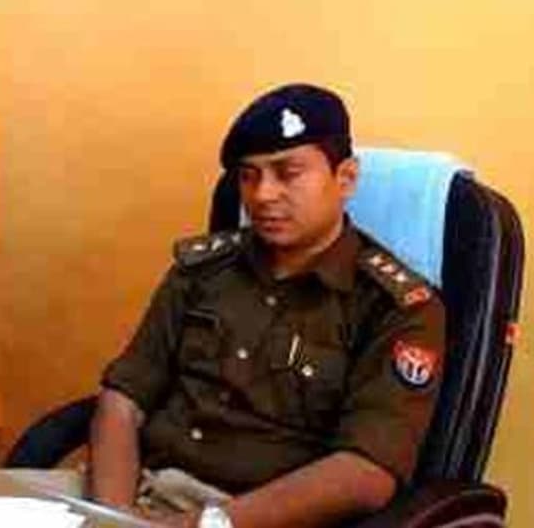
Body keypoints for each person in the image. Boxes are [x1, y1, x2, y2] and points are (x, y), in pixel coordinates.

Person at [91, 84, 445, 528]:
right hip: (141, 493)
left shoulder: (397, 307)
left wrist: (201, 525)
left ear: (346, 178)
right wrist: (112, 517)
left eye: (287, 173)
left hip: (259, 518)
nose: (262, 195)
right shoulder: (203, 271)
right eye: (248, 176)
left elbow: (366, 473)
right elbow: (124, 398)